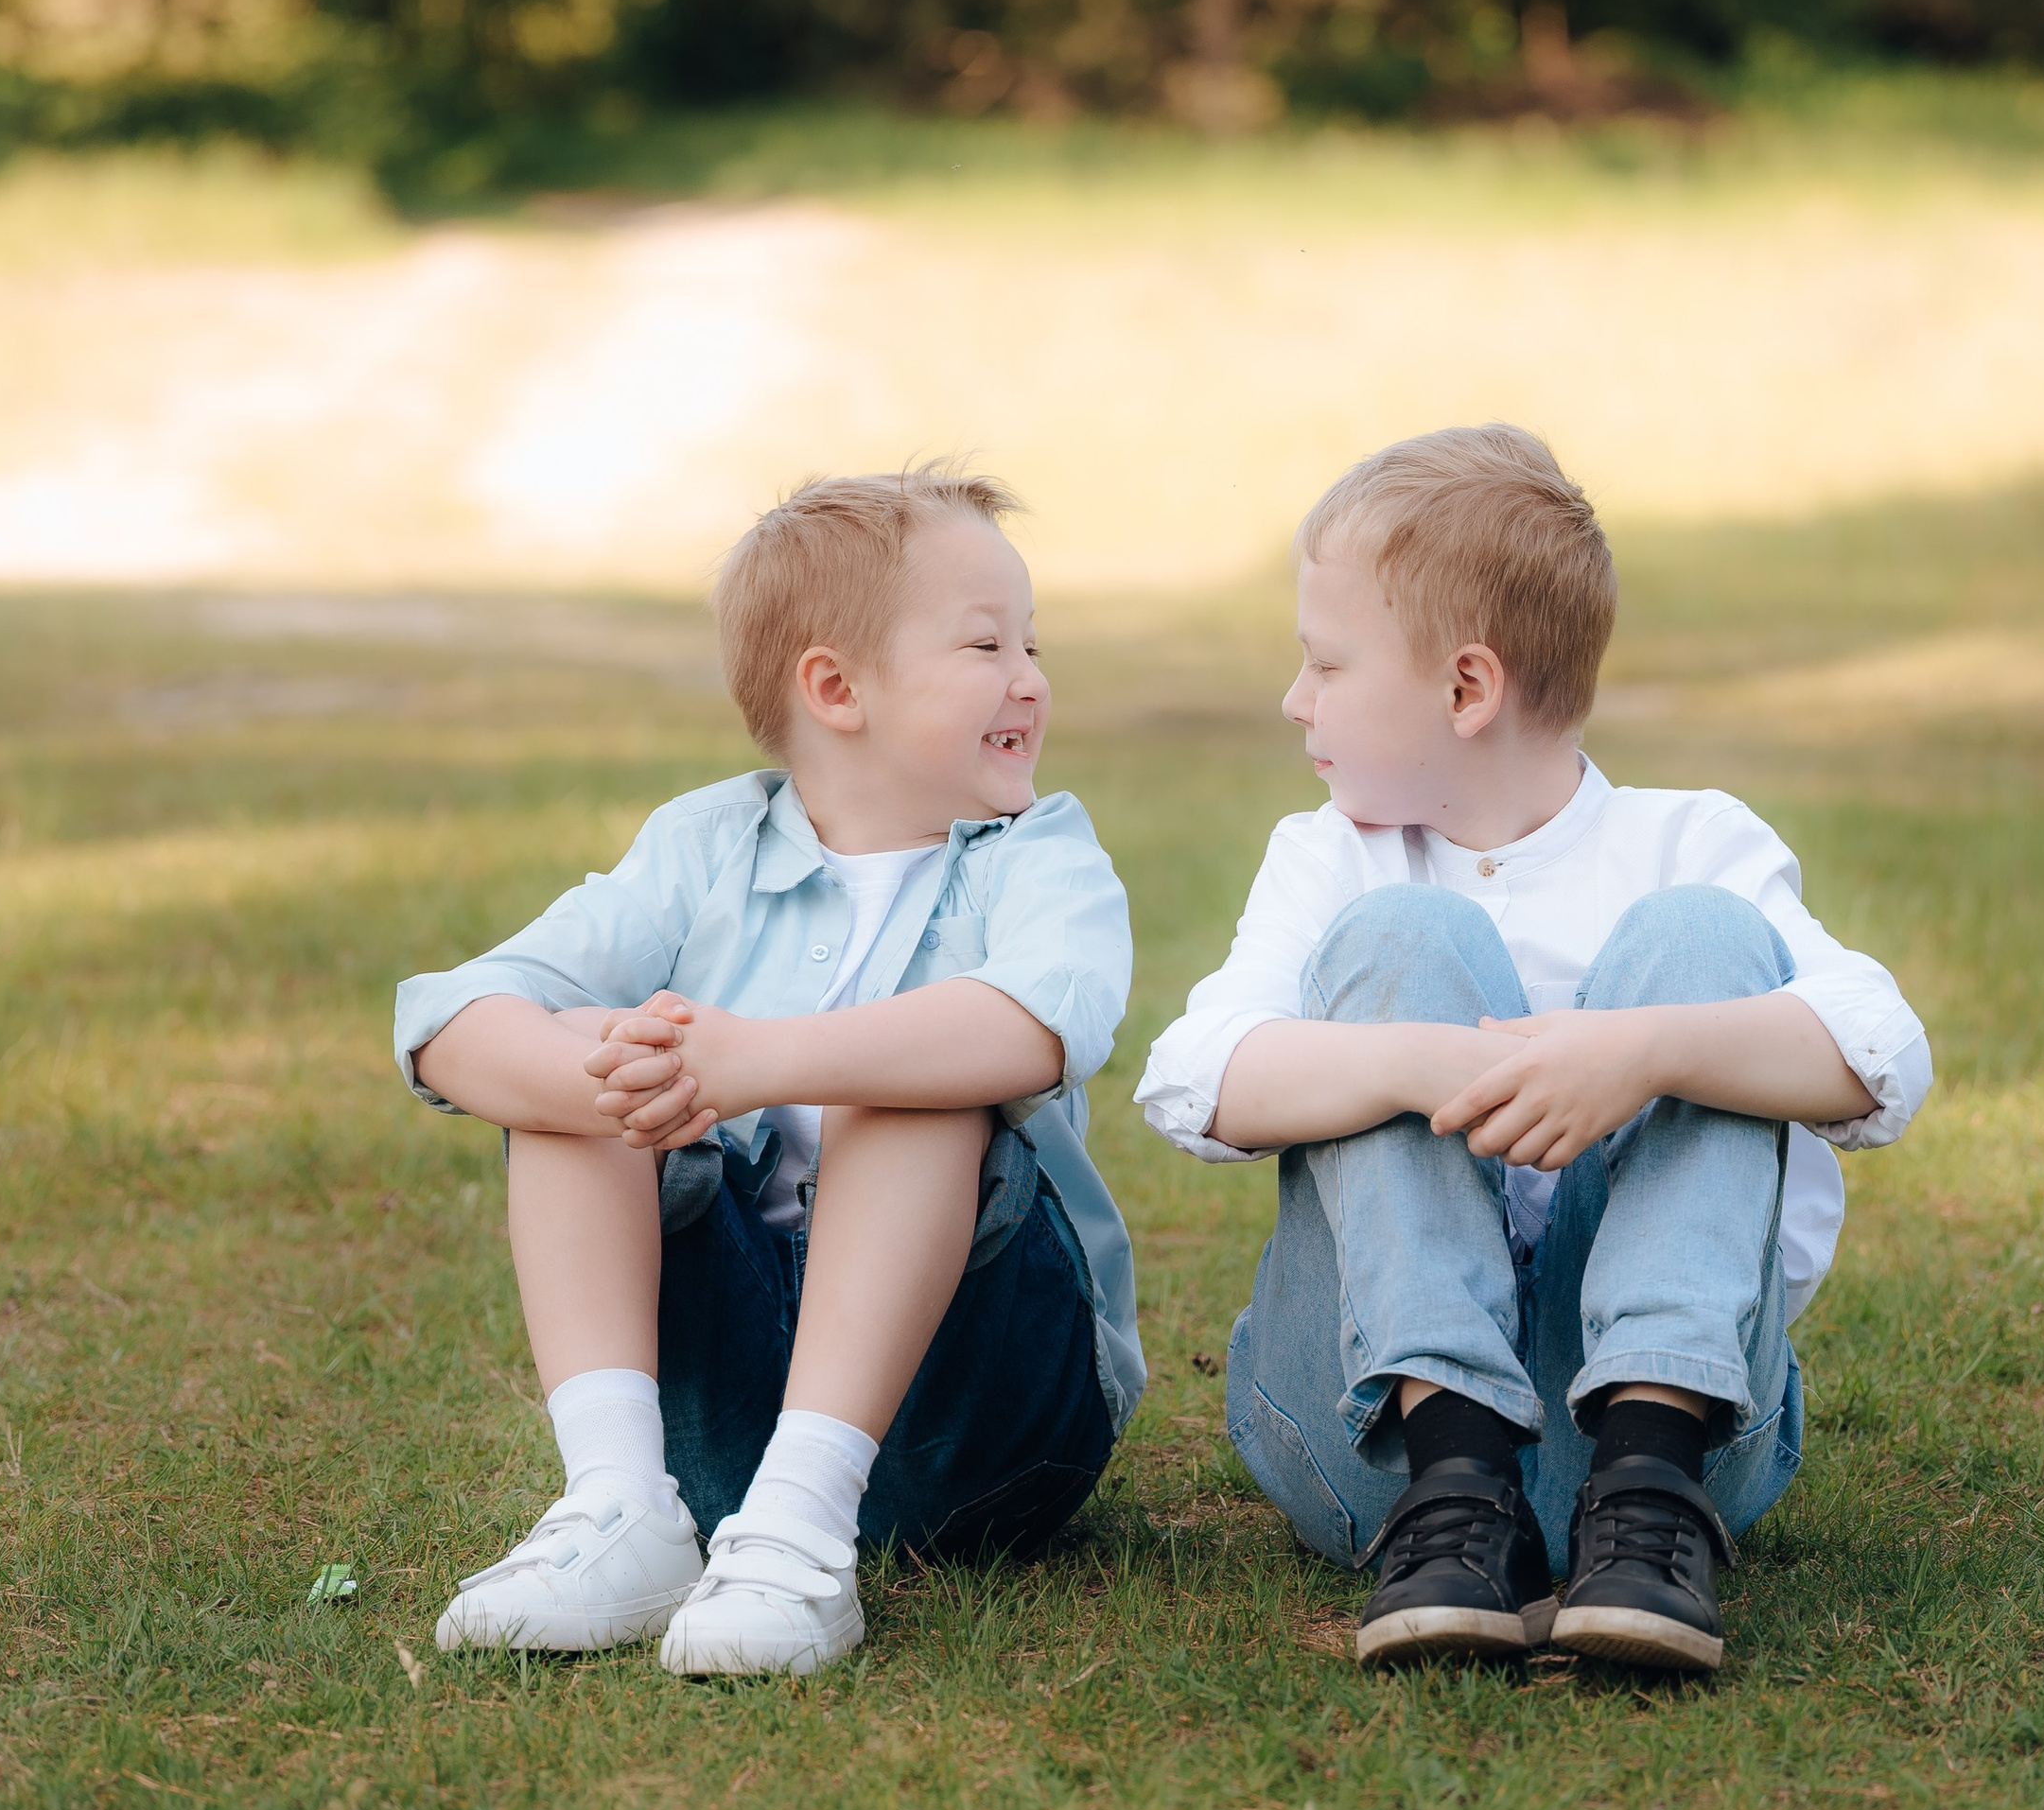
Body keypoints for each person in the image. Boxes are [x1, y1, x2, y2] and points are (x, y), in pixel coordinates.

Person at [1135, 424, 1930, 1676]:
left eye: (1325, 664)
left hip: (1676, 1451)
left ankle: (1648, 1477)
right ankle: (1458, 1478)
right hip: (1379, 1445)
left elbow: (1881, 1055)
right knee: (1402, 936)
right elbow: (1193, 1078)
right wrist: (1411, 1063)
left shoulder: (1690, 844)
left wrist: (1645, 1052)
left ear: (1466, 690)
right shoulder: (1334, 859)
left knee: (1703, 945)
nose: (1296, 700)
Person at [395, 466, 1141, 1679]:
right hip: (731, 1417)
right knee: (582, 1066)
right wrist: (613, 1072)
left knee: (912, 1076)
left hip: (983, 1418)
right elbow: (448, 1016)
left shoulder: (1035, 854)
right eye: (985, 644)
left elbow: (1031, 1029)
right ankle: (621, 1505)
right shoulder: (704, 847)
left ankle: (803, 1524)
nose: (1031, 678)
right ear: (835, 688)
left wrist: (754, 1059)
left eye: (1033, 644)